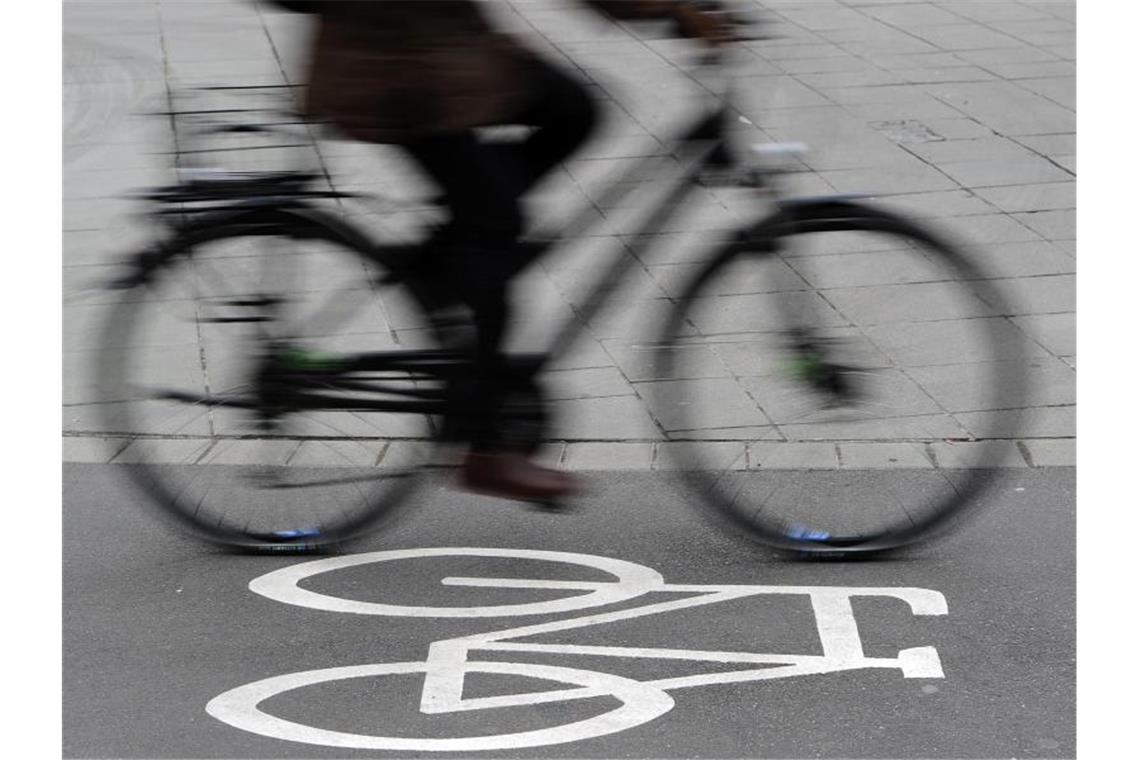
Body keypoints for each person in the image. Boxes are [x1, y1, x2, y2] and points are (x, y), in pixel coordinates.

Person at [270, 0, 735, 503]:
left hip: (440, 50)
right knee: (493, 230)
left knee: (572, 112)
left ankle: (451, 258)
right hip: (398, 67)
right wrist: (667, 9)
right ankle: (485, 448)